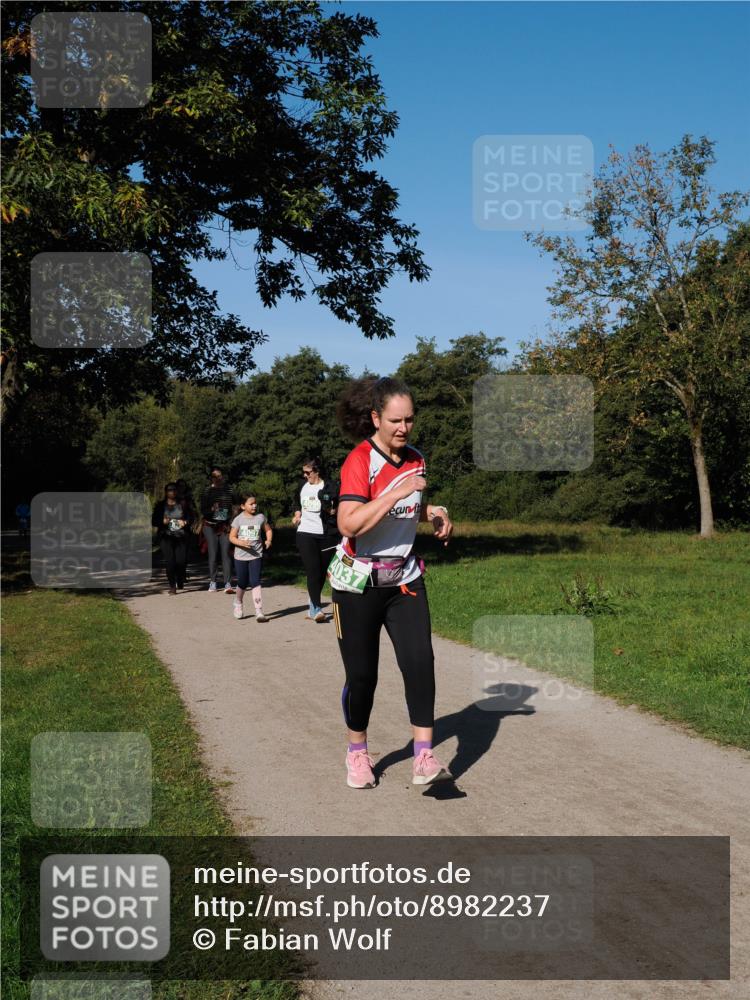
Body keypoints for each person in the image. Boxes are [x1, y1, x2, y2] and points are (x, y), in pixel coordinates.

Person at [332, 376, 454, 790]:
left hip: (404, 580)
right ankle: (357, 752)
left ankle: (423, 756)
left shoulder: (416, 458)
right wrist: (396, 490)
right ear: (375, 418)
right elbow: (350, 522)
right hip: (357, 584)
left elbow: (406, 510)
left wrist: (432, 512)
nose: (404, 428)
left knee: (420, 662)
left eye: (410, 420)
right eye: (395, 421)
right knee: (363, 676)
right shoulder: (359, 460)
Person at [292, 456, 340, 621]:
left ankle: (313, 603)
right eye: (303, 472)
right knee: (312, 570)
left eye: (307, 472)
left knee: (321, 572)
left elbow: (339, 503)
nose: (305, 475)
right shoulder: (302, 485)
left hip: (327, 534)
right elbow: (296, 502)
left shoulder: (330, 486)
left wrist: (334, 511)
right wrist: (297, 514)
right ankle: (316, 609)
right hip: (305, 533)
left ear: (316, 471)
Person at [228, 494, 272, 622]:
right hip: (241, 556)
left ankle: (259, 611)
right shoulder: (238, 520)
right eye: (251, 504)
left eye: (255, 503)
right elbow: (231, 537)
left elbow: (268, 530)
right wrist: (241, 543)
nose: (254, 506)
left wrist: (268, 540)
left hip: (256, 555)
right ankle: (238, 602)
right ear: (243, 506)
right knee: (242, 582)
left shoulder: (260, 518)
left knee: (255, 581)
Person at [199, 467, 238, 593]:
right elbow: (202, 510)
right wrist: (211, 510)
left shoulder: (229, 489)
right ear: (211, 478)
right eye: (215, 476)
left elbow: (237, 504)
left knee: (226, 553)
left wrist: (233, 517)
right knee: (213, 553)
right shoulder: (207, 491)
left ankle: (227, 583)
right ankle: (213, 582)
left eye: (220, 476)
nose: (218, 478)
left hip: (225, 525)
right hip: (210, 525)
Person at [151, 483, 194, 594]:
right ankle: (172, 586)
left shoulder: (183, 504)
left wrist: (185, 522)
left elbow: (192, 518)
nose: (172, 492)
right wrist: (162, 521)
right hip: (166, 536)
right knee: (170, 561)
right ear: (166, 492)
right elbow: (154, 521)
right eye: (170, 490)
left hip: (181, 536)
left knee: (181, 561)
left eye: (174, 490)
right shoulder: (160, 506)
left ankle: (180, 577)